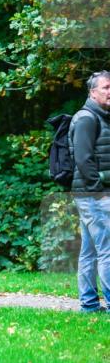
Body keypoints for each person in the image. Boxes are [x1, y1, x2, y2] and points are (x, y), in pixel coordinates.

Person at [69, 70, 110, 312]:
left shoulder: (102, 117)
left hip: (91, 195)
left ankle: (89, 304)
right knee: (107, 251)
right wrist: (98, 190)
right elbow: (83, 160)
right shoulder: (86, 118)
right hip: (94, 195)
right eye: (105, 87)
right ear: (92, 92)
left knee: (90, 251)